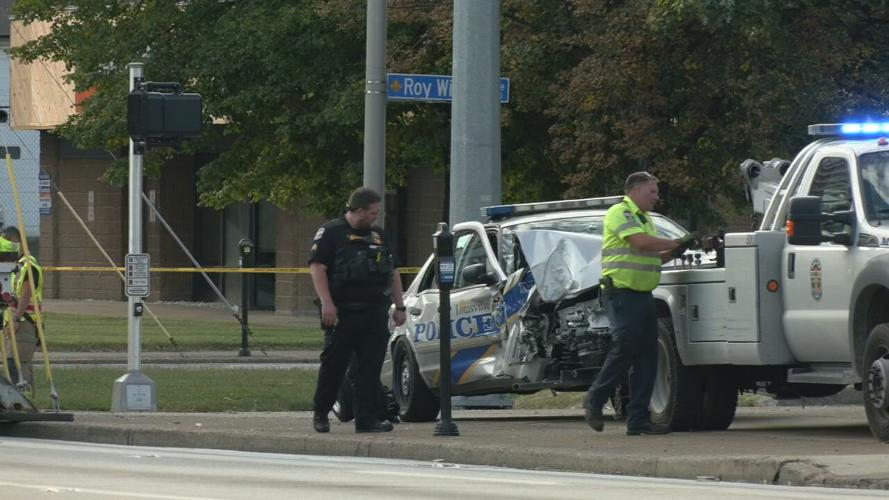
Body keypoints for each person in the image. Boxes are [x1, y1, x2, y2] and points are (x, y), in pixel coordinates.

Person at [585, 172, 696, 436]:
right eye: (652, 192)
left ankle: (638, 420)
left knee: (648, 358)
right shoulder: (620, 212)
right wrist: (678, 240)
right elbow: (640, 243)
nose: (657, 198)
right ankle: (595, 398)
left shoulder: (646, 220)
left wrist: (676, 251)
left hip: (643, 295)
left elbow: (652, 258)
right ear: (635, 191)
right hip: (622, 294)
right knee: (625, 347)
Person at [309, 187, 407, 433]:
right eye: (372, 213)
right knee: (334, 366)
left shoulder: (379, 236)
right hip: (342, 312)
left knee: (369, 368)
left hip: (374, 312)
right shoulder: (331, 232)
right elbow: (318, 268)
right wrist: (327, 303)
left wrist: (400, 305)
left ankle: (367, 419)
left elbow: (393, 271)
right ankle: (321, 413)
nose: (376, 217)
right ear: (359, 210)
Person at [2, 227, 42, 391]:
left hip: (25, 321)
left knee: (19, 362)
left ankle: (21, 399)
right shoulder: (14, 266)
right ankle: (20, 399)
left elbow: (26, 293)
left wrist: (17, 319)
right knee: (13, 360)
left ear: (17, 242)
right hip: (14, 320)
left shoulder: (28, 265)